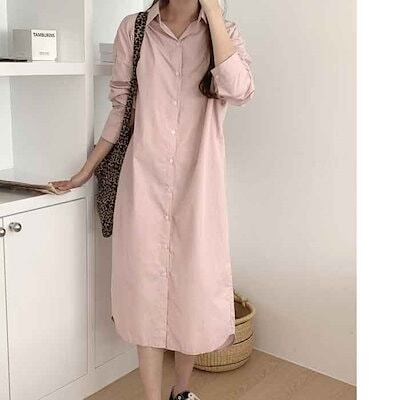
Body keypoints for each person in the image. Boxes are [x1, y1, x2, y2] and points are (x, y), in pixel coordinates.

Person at [50, 0, 254, 399]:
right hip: (144, 181)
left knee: (193, 290)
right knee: (145, 291)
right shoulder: (135, 29)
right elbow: (121, 106)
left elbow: (240, 89)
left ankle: (181, 390)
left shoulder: (224, 32)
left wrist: (213, 14)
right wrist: (87, 168)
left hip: (200, 185)